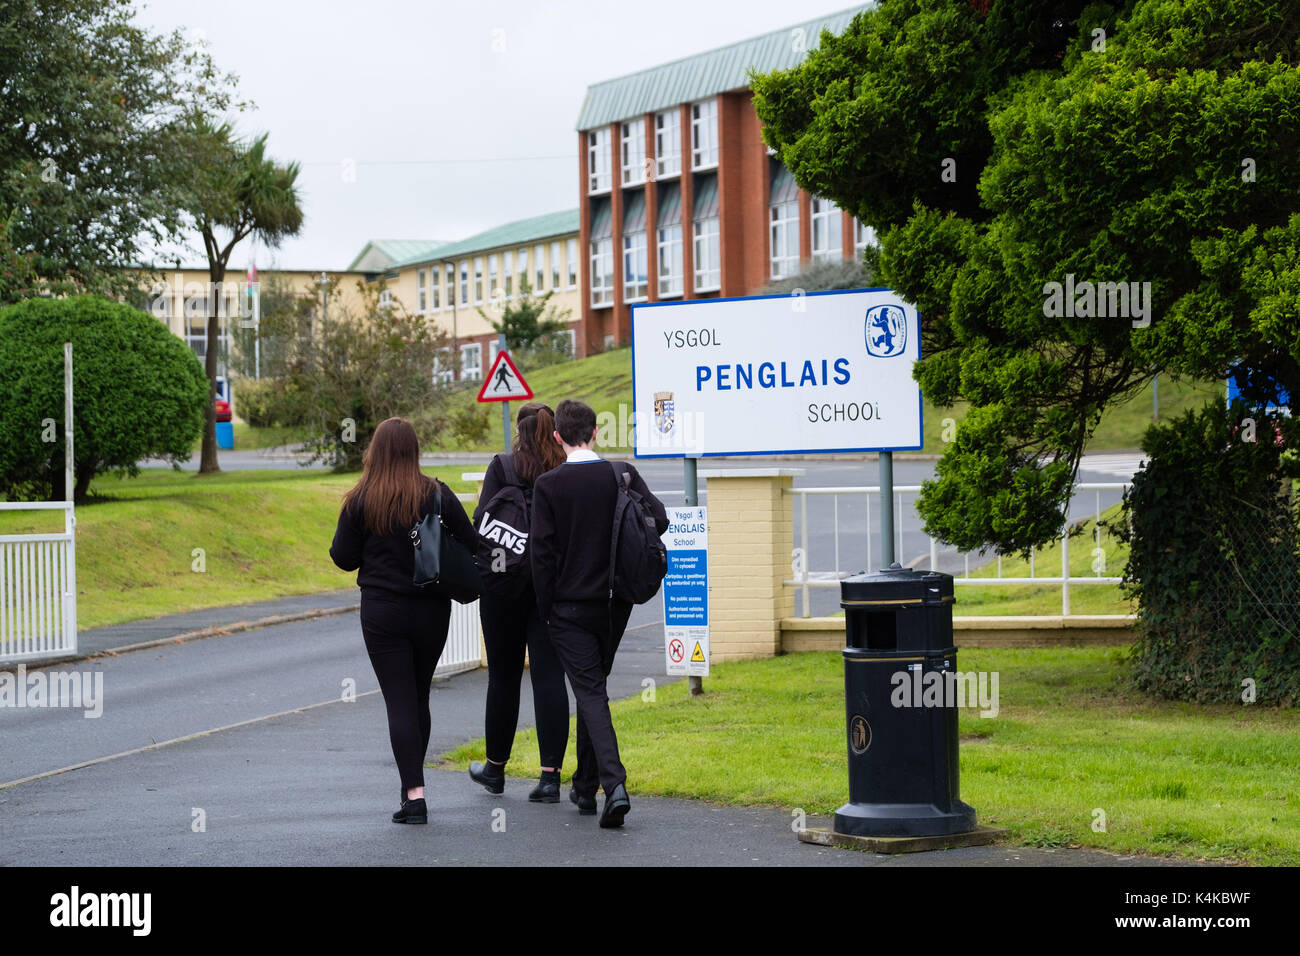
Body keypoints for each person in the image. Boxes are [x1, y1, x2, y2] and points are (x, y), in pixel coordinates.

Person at [329, 417, 476, 825]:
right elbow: (472, 542)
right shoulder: (437, 495)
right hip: (431, 608)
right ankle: (412, 787)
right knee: (419, 696)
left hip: (382, 612)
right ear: (414, 451)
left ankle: (414, 794)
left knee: (399, 700)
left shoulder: (361, 499)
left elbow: (343, 557)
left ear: (375, 451)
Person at [530, 399, 668, 827]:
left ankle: (615, 785)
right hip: (615, 604)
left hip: (569, 609)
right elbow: (659, 519)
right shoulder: (620, 474)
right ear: (595, 433)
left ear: (557, 437)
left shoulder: (548, 486)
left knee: (590, 692)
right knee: (594, 691)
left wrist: (548, 609)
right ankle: (585, 787)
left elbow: (541, 556)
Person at [467, 402, 570, 802]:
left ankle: (495, 770)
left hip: (501, 588)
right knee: (549, 678)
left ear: (519, 433)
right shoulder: (563, 470)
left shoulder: (502, 467)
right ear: (554, 432)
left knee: (504, 678)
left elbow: (483, 524)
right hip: (550, 591)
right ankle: (550, 778)